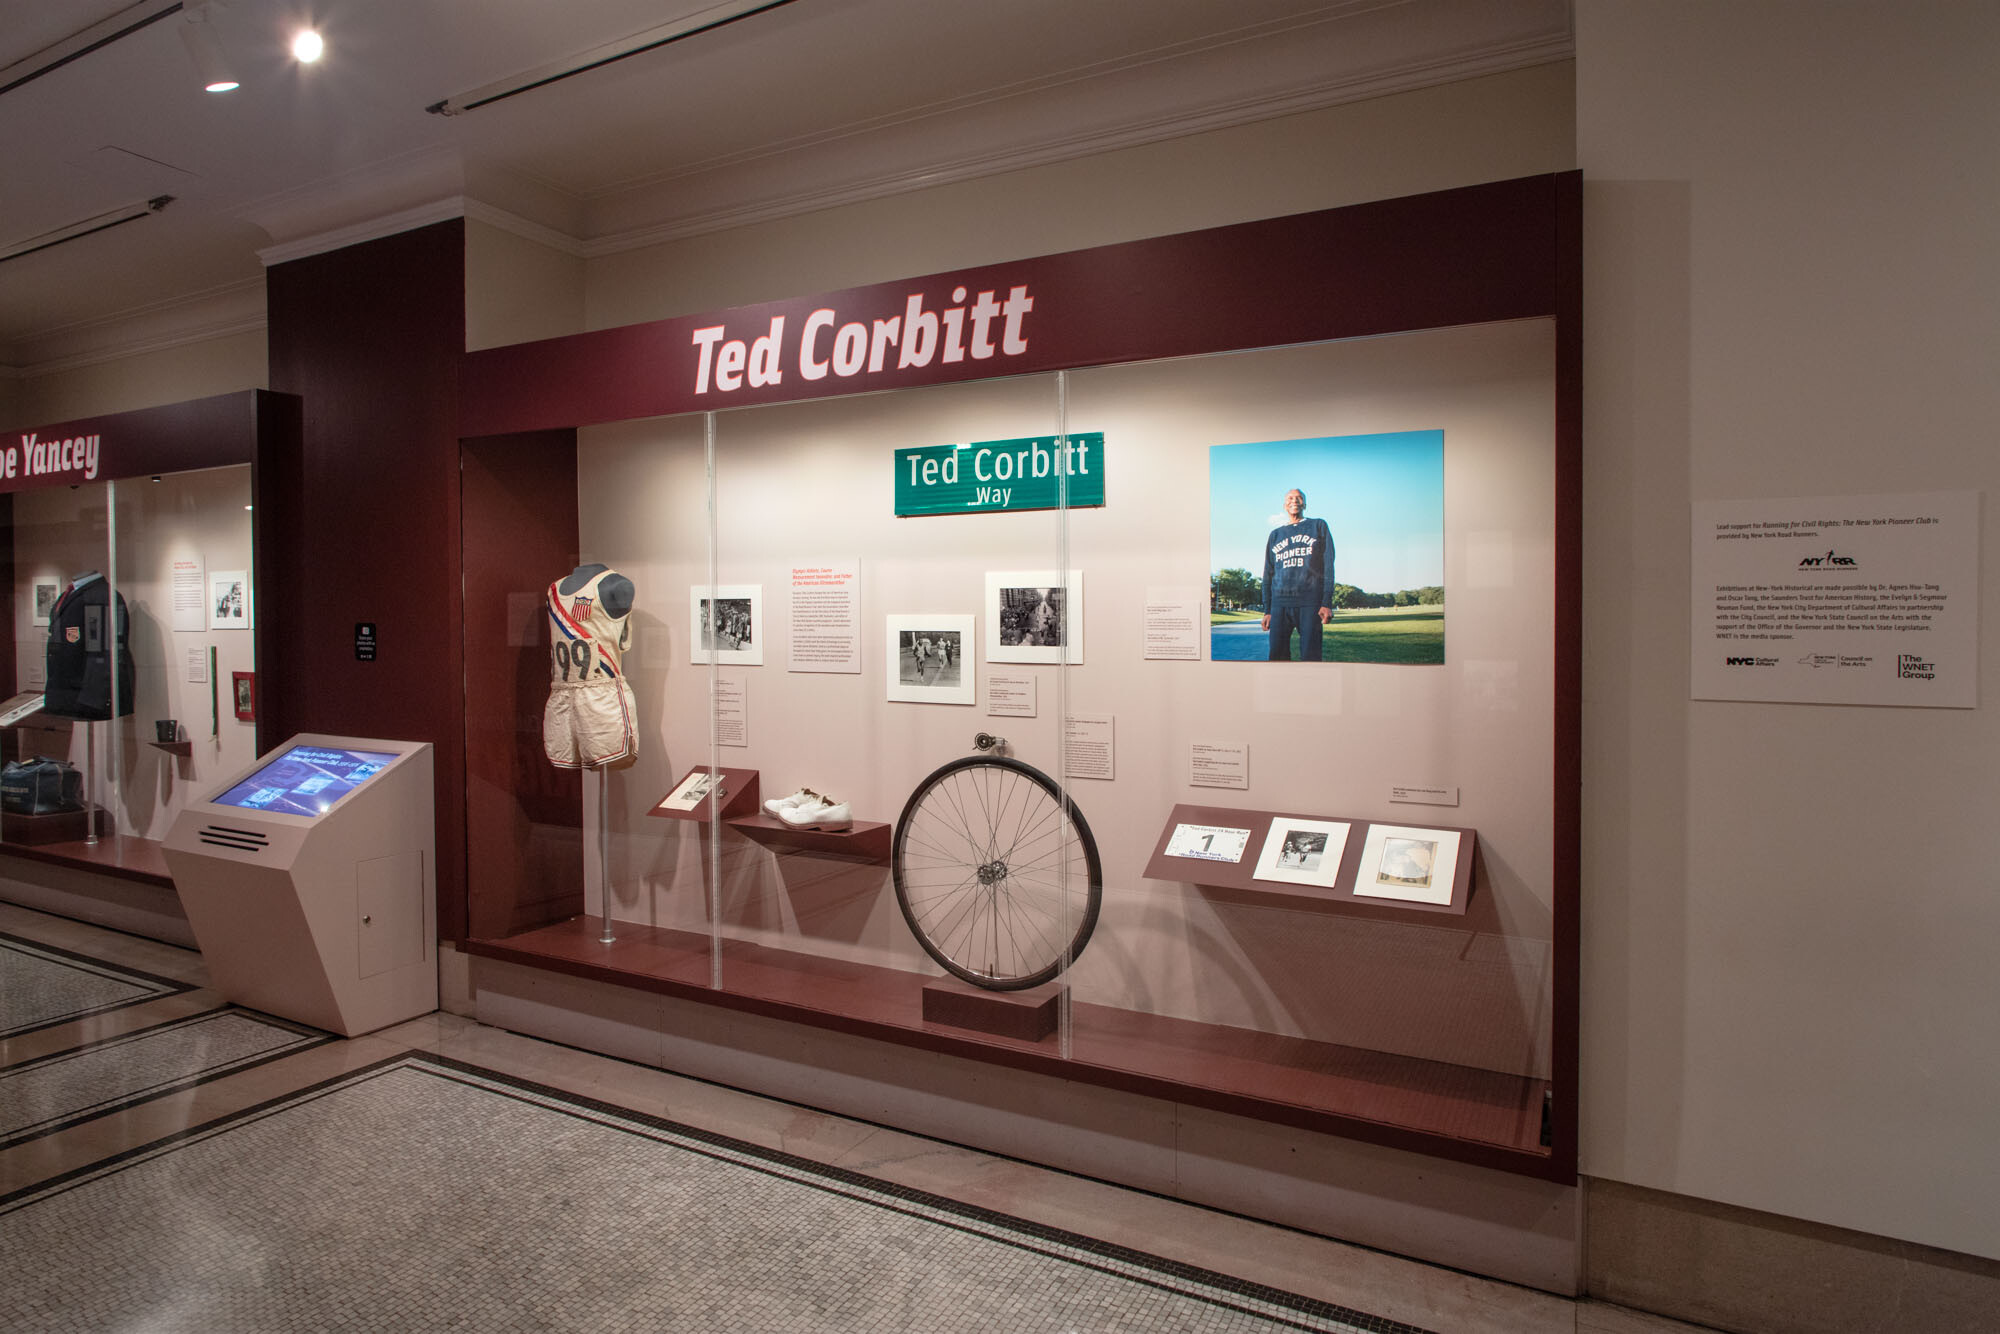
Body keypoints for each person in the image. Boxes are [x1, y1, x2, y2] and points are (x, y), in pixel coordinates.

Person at [1260, 487, 1334, 661]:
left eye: (1299, 498)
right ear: (1284, 505)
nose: (1294, 500)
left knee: (1311, 657)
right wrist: (1267, 610)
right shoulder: (1275, 534)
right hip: (1279, 604)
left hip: (1309, 602)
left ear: (1305, 504)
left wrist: (1326, 602)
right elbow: (1268, 573)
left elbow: (1328, 565)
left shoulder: (1318, 526)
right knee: (1277, 657)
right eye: (1290, 498)